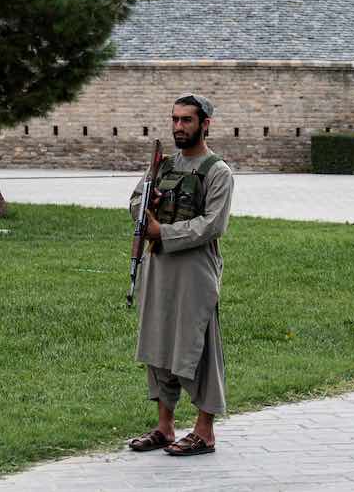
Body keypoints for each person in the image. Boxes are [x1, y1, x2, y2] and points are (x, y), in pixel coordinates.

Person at [126, 93, 235, 457]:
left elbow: (212, 225)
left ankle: (204, 432)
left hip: (194, 271)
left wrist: (163, 233)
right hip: (158, 268)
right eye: (174, 119)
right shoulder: (163, 165)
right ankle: (165, 427)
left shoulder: (218, 172)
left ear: (205, 124)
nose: (178, 127)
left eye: (186, 120)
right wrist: (148, 205)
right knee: (158, 344)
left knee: (198, 348)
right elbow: (134, 202)